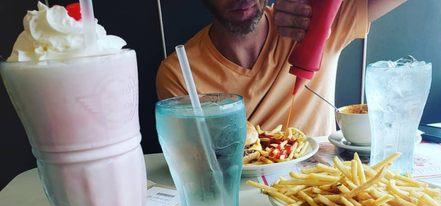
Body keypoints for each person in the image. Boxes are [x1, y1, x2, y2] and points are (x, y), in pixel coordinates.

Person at [156, 0, 407, 136]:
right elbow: (203, 165)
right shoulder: (178, 72)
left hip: (325, 189)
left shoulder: (313, 19)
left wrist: (320, 6)